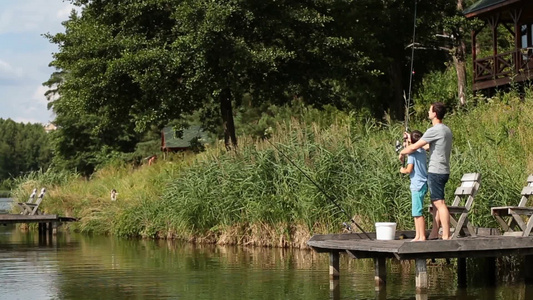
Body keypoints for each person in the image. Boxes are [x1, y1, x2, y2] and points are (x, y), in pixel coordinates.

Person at [399, 102, 452, 240]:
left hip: (436, 170)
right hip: (444, 170)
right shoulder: (446, 130)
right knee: (435, 202)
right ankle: (435, 233)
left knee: (439, 203)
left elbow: (415, 147)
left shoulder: (433, 130)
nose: (428, 112)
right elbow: (427, 147)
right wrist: (409, 138)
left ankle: (446, 235)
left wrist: (402, 152)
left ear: (435, 114)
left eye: (430, 110)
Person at [400, 130, 427, 242]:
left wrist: (403, 170)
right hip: (423, 183)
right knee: (416, 212)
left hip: (417, 185)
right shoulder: (422, 151)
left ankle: (422, 236)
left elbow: (409, 169)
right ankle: (418, 235)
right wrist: (407, 138)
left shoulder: (412, 154)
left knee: (417, 212)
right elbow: (412, 146)